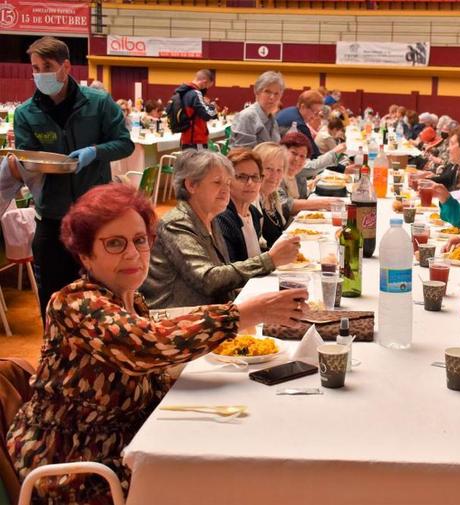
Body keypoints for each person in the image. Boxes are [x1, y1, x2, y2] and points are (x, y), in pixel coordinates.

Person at [6, 183, 305, 504]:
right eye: (115, 244)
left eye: (140, 241)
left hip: (123, 448)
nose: (133, 254)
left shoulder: (132, 303)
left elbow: (149, 367)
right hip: (75, 467)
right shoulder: (74, 302)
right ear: (85, 254)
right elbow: (144, 348)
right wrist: (243, 314)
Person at [11, 36, 134, 320]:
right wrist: (28, 165)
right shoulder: (26, 113)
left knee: (102, 294)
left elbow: (124, 143)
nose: (40, 74)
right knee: (53, 299)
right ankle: (54, 355)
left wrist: (96, 151)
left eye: (47, 66)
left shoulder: (99, 103)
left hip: (97, 217)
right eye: (35, 68)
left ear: (66, 66)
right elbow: (27, 157)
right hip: (52, 216)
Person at [142, 150, 299, 308]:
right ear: (191, 185)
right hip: (177, 324)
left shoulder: (210, 219)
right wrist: (269, 260)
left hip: (207, 316)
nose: (226, 190)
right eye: (217, 182)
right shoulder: (176, 224)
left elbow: (223, 283)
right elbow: (208, 280)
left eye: (228, 183)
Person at [279, 132, 339, 213]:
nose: (297, 159)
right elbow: (283, 205)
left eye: (302, 156)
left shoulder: (299, 176)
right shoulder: (276, 175)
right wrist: (323, 203)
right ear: (283, 151)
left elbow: (303, 199)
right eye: (294, 153)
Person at [230, 70, 284, 148]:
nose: (272, 97)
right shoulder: (248, 117)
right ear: (257, 92)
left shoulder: (272, 119)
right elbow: (244, 154)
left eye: (276, 93)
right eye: (267, 92)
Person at [254, 142, 291, 247]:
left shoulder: (273, 198)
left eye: (279, 170)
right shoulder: (251, 204)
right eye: (269, 168)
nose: (275, 175)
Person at [176, 69, 218, 150]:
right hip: (196, 139)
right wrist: (213, 107)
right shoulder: (196, 93)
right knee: (199, 162)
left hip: (186, 138)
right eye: (207, 86)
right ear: (204, 82)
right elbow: (207, 115)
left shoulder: (183, 92)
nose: (206, 89)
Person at [276, 89, 324, 158]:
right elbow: (315, 156)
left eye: (318, 113)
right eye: (315, 112)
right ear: (303, 107)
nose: (315, 117)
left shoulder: (290, 110)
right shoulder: (299, 125)